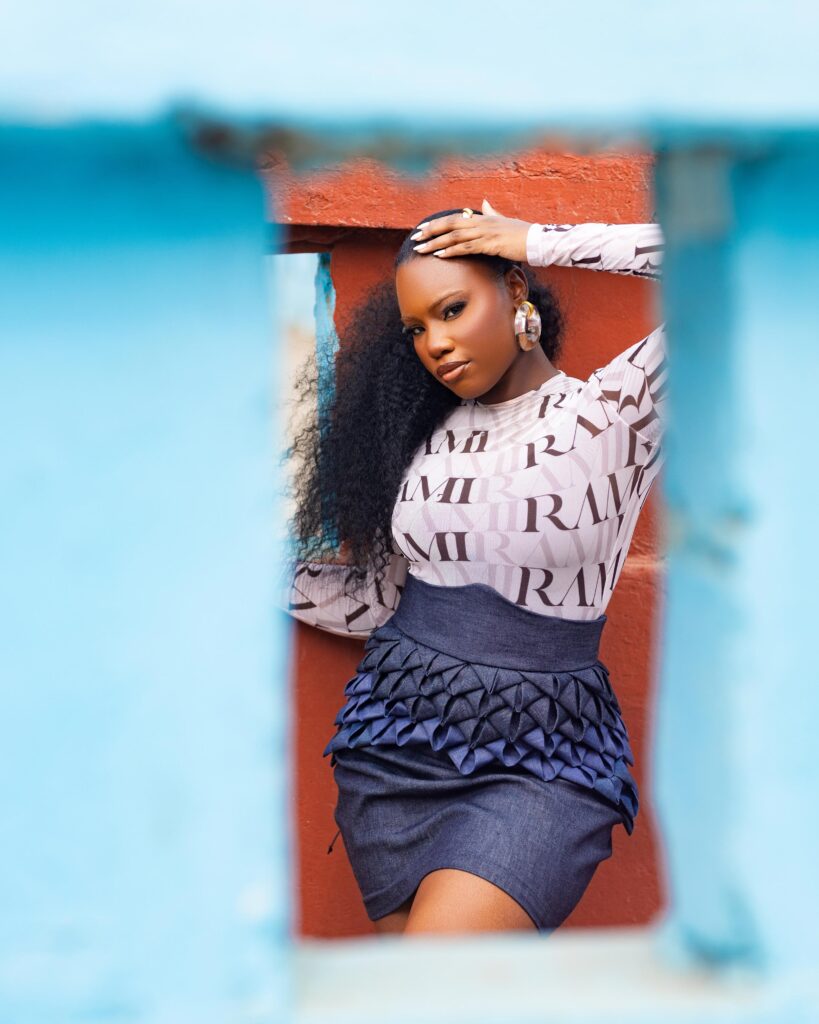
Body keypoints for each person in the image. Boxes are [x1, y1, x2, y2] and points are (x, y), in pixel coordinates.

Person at [279, 198, 667, 936]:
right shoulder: (418, 437)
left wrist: (537, 239)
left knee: (436, 976)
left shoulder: (613, 414)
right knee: (429, 991)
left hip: (542, 758)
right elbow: (384, 600)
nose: (435, 342)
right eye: (416, 328)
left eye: (453, 309)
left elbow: (741, 255)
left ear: (515, 289)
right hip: (392, 747)